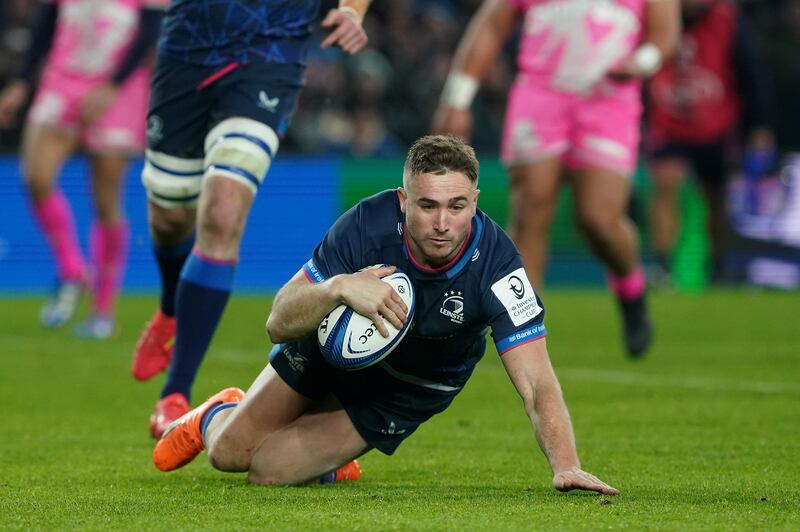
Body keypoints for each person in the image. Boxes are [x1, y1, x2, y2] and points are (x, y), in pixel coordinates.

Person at [151, 135, 619, 493]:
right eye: (427, 205)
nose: (442, 224)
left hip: (405, 391)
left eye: (457, 206)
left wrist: (566, 465)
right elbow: (278, 320)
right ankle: (218, 411)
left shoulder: (498, 267)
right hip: (327, 353)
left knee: (268, 472)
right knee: (229, 454)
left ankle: (331, 456)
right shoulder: (366, 225)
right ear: (403, 200)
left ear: (475, 201)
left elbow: (538, 382)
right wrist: (337, 287)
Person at [131, 0, 373, 439]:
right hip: (188, 49)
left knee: (223, 215)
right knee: (168, 216)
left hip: (270, 54)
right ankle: (171, 308)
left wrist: (353, 11)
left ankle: (175, 393)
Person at [433, 0, 680, 357]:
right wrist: (457, 98)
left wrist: (643, 62)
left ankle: (631, 287)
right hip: (540, 97)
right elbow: (491, 25)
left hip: (608, 100)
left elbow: (665, 32)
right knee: (531, 213)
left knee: (599, 220)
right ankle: (524, 334)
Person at [0, 0, 166, 337]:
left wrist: (112, 85)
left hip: (119, 89)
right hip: (62, 79)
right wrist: (21, 81)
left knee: (105, 200)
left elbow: (150, 30)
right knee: (36, 177)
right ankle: (73, 268)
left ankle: (102, 311)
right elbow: (46, 23)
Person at [645, 0, 775, 285]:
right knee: (666, 184)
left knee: (717, 200)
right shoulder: (654, 12)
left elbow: (750, 72)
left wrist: (758, 126)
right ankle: (662, 268)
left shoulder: (726, 19)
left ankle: (719, 269)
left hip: (716, 125)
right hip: (668, 122)